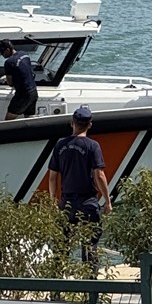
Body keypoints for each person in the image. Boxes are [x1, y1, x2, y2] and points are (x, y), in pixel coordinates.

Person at [48, 106, 112, 273]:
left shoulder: (60, 146)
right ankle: (91, 290)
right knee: (90, 246)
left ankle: (56, 288)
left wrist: (53, 201)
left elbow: (52, 177)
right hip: (88, 202)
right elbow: (99, 175)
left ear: (72, 124)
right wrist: (107, 201)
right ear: (89, 125)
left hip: (67, 202)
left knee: (62, 246)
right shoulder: (93, 146)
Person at [0, 39, 37, 120]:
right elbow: (25, 69)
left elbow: (10, 83)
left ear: (8, 50)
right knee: (28, 118)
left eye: (2, 52)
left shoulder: (9, 62)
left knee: (9, 119)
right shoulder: (25, 54)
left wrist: (7, 78)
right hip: (33, 91)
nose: (2, 55)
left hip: (23, 95)